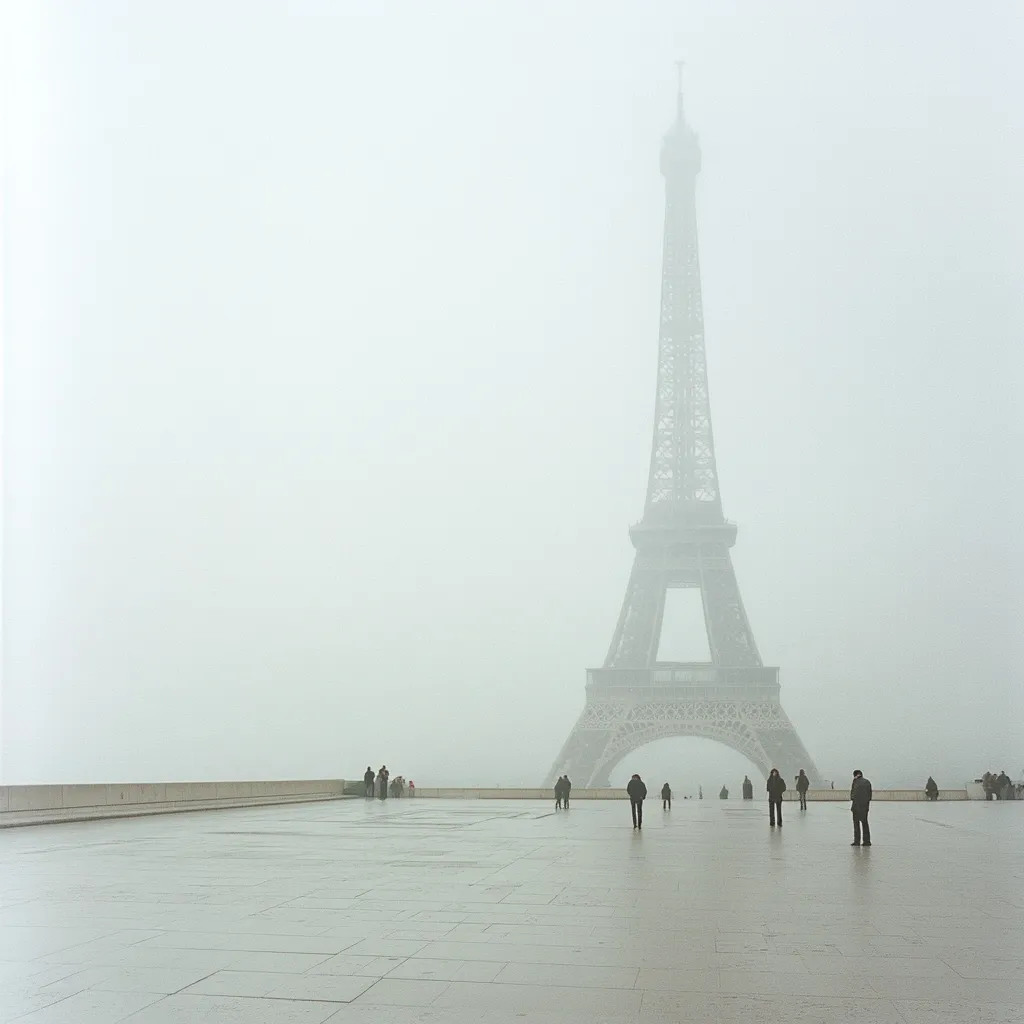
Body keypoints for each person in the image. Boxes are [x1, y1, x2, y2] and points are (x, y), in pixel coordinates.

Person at [851, 769, 872, 846]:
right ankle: (867, 841)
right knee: (865, 823)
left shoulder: (855, 782)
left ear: (855, 775)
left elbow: (852, 796)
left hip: (856, 807)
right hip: (864, 807)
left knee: (856, 824)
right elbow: (869, 796)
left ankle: (857, 841)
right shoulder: (867, 782)